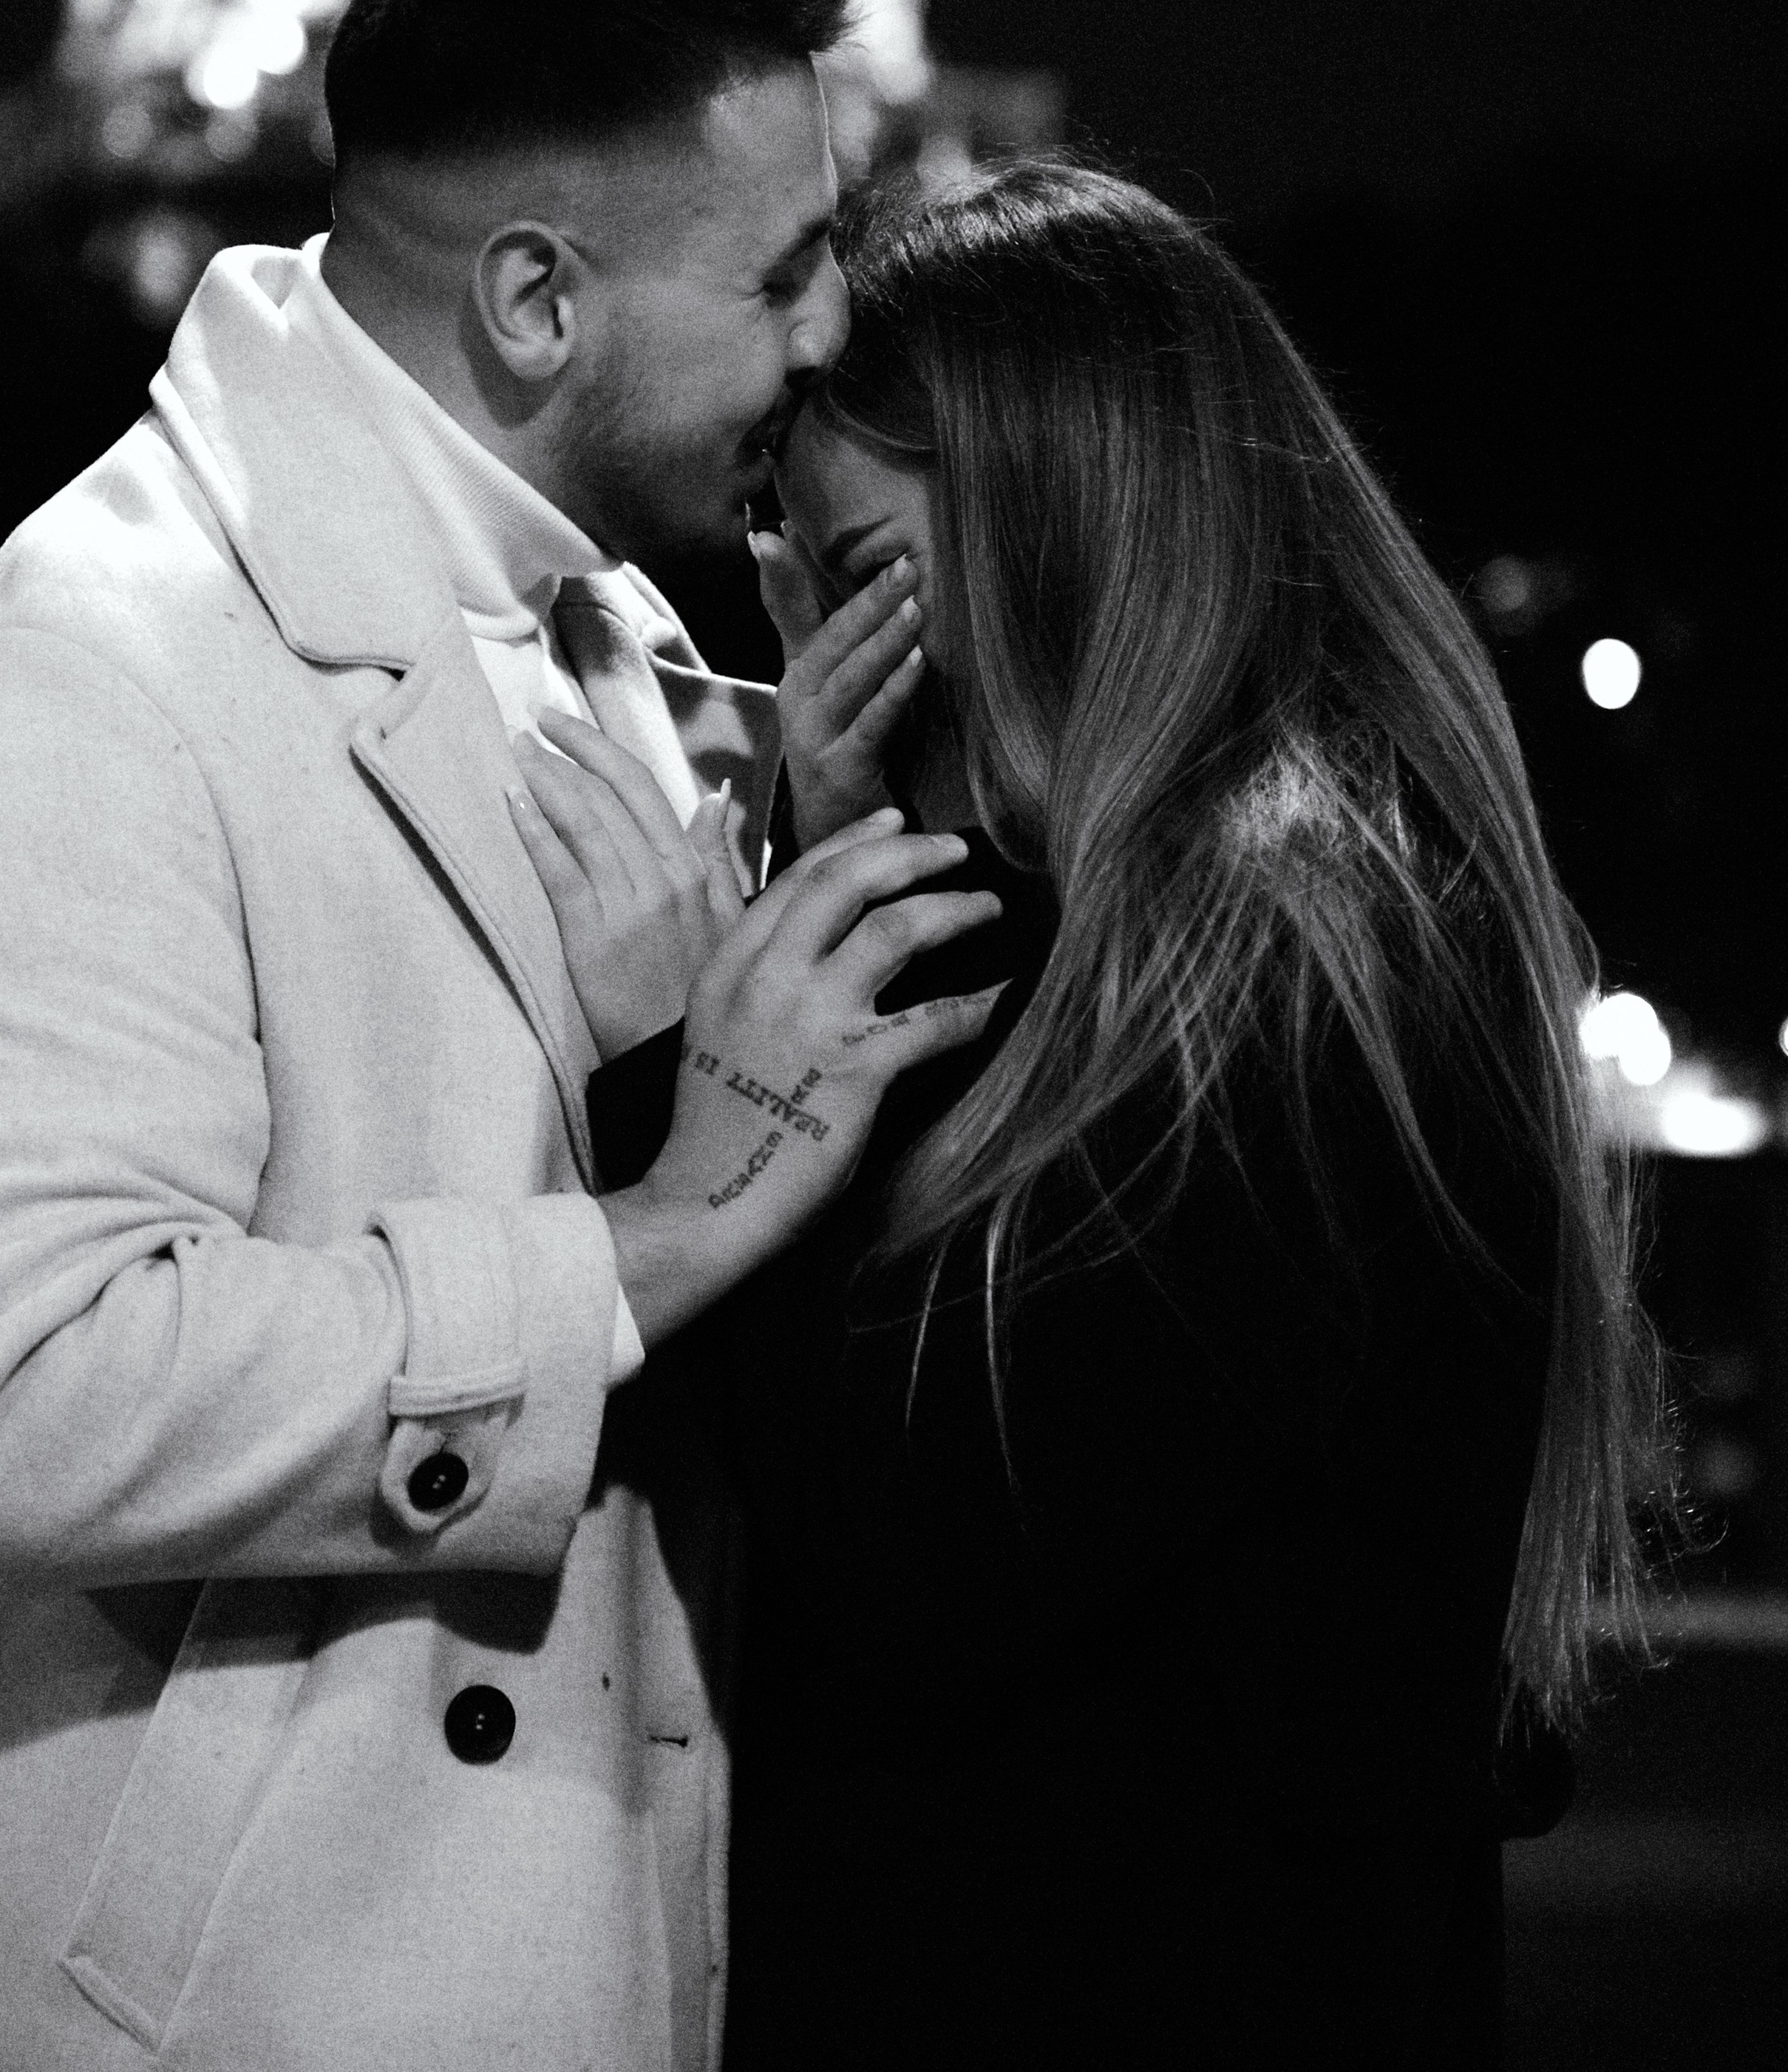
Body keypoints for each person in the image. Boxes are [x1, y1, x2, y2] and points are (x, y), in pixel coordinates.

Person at [0, 0, 1002, 2072]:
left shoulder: (627, 634)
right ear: (534, 299)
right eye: (785, 272)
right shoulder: (78, 675)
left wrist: (812, 820)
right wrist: (644, 1242)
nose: (825, 342)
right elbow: (10, 1394)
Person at [527, 161, 1664, 2070]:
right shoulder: (1206, 926)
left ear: (1065, 513)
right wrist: (841, 848)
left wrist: (680, 1056)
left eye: (863, 568)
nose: (821, 644)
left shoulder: (1295, 971)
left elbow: (916, 1552)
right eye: (792, 579)